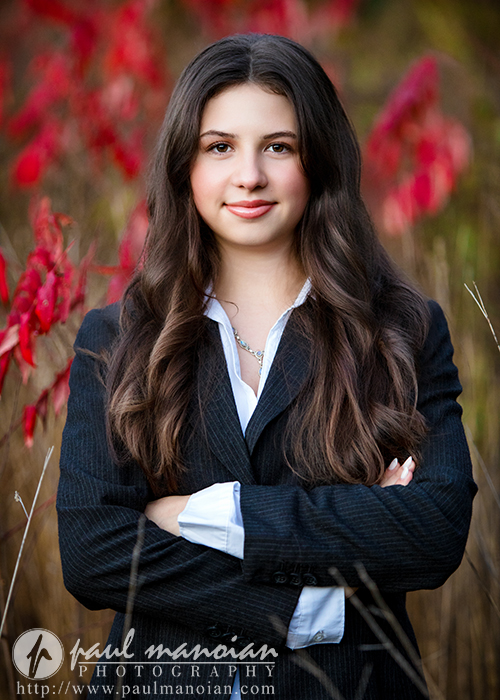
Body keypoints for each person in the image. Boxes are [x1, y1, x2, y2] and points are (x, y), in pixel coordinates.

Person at [57, 34, 476, 699]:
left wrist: (215, 512)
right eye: (219, 147)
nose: (248, 175)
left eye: (277, 147)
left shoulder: (402, 330)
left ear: (318, 160)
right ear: (184, 166)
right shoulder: (114, 340)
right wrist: (302, 608)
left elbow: (433, 532)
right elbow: (96, 554)